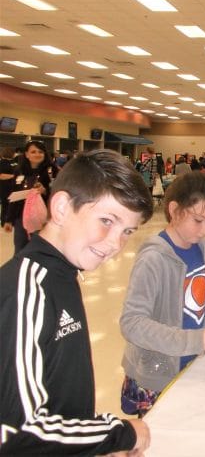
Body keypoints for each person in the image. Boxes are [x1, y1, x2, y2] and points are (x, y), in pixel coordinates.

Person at [0, 149, 153, 455]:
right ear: (61, 208)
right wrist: (117, 434)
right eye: (107, 220)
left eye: (127, 231)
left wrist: (87, 443)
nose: (115, 244)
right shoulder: (27, 289)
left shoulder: (63, 273)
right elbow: (18, 432)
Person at [120, 171, 205, 417]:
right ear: (174, 209)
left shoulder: (204, 250)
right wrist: (191, 340)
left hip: (193, 364)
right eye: (198, 220)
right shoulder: (153, 258)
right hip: (157, 373)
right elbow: (132, 323)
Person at [3, 140, 54, 255]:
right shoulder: (19, 171)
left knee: (40, 249)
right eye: (33, 152)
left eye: (40, 151)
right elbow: (14, 196)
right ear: (26, 154)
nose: (37, 154)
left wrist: (45, 191)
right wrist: (9, 220)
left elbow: (58, 194)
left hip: (43, 218)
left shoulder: (51, 170)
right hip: (22, 218)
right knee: (20, 249)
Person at [0, 147, 17, 230]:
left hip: (14, 187)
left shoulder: (14, 162)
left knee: (13, 205)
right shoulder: (2, 163)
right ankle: (4, 222)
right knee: (5, 205)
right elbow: (1, 176)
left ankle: (12, 221)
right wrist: (13, 176)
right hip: (5, 187)